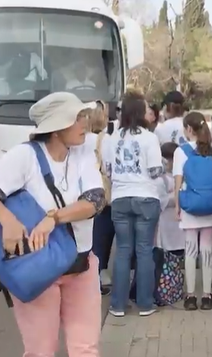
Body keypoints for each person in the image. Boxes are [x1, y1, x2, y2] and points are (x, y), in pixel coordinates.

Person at [0, 92, 105, 356]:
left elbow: (95, 200)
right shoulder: (25, 156)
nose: (84, 124)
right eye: (77, 119)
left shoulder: (84, 152)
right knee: (40, 351)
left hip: (81, 265)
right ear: (56, 129)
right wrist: (8, 220)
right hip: (39, 266)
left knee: (86, 349)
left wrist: (53, 218)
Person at [101, 91, 164, 317]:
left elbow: (107, 170)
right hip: (146, 196)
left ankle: (118, 304)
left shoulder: (111, 138)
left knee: (123, 251)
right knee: (144, 250)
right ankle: (145, 304)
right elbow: (155, 171)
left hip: (120, 198)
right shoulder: (149, 138)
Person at [173, 111, 212, 311]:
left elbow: (178, 179)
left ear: (188, 129)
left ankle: (190, 295)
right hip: (210, 206)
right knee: (206, 249)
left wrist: (177, 205)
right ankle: (207, 295)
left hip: (190, 205)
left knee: (190, 249)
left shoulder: (181, 152)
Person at [85, 101, 113, 295]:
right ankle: (99, 271)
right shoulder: (106, 139)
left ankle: (86, 272)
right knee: (102, 234)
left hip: (81, 192)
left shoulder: (78, 139)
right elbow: (108, 167)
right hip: (101, 191)